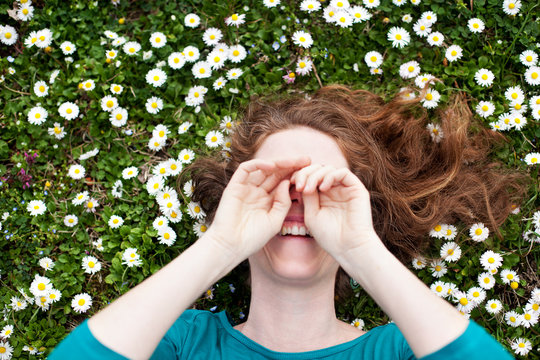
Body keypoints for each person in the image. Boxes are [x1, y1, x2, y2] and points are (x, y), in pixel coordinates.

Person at [49, 85, 527, 359]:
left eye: (324, 187)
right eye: (273, 185)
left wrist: (360, 248)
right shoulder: (183, 342)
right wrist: (222, 243)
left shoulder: (401, 349)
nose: (297, 203)